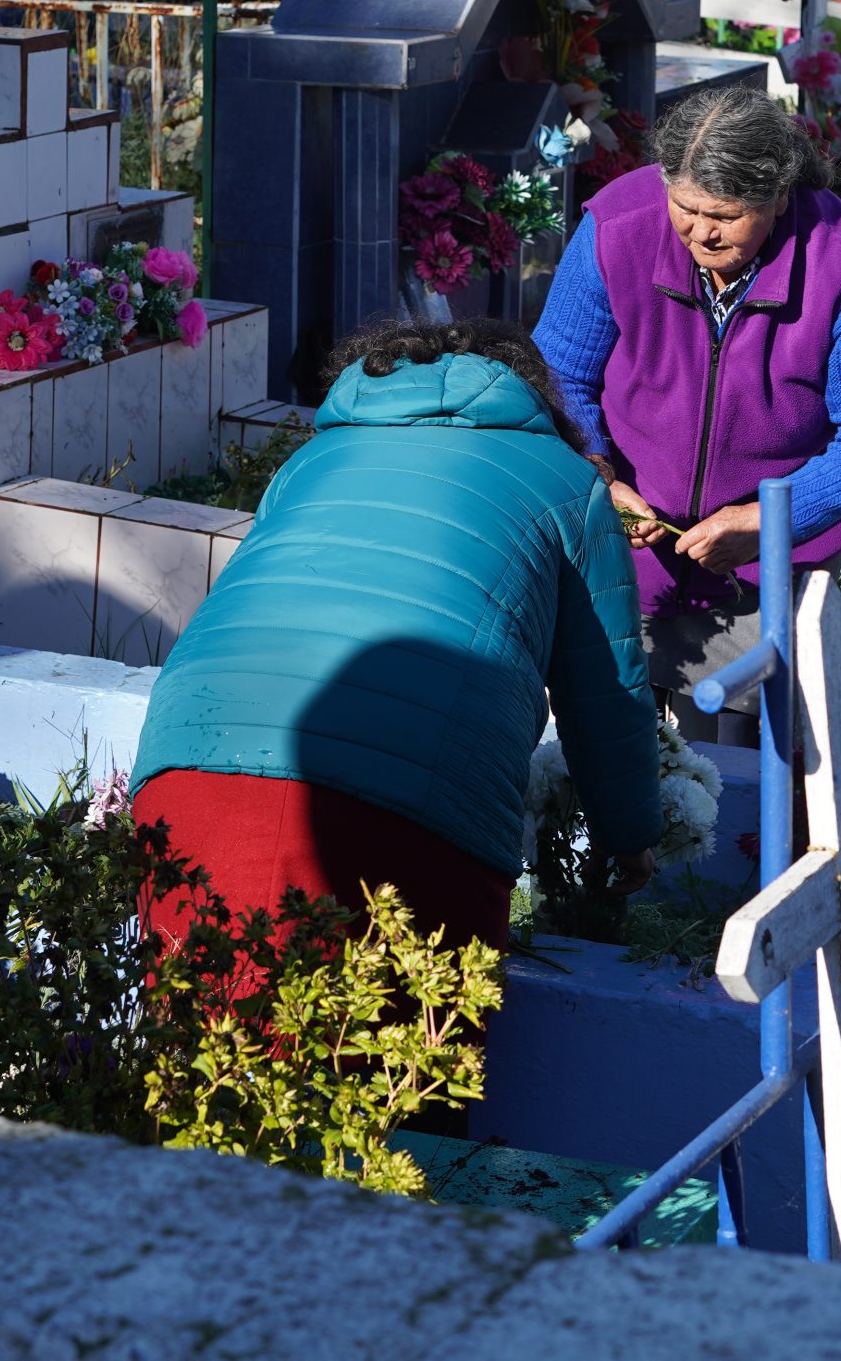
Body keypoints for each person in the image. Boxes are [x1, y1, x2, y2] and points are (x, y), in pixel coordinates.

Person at [130, 319, 662, 956]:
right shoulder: (568, 482)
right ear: (527, 393)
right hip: (414, 783)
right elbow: (604, 688)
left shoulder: (311, 461)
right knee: (399, 1041)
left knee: (203, 1035)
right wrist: (627, 833)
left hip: (190, 751)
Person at [533, 88, 841, 739]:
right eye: (684, 207)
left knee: (738, 775)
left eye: (727, 215)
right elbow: (557, 373)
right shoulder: (618, 227)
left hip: (762, 575)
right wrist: (596, 475)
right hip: (621, 553)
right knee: (596, 754)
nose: (702, 231)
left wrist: (771, 519)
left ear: (779, 196)